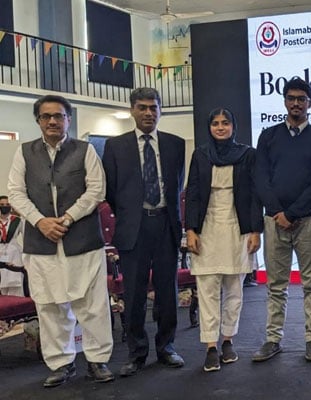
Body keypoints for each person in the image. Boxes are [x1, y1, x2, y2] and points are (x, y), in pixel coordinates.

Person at [8, 94, 113, 387]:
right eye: (46, 116)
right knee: (49, 304)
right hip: (40, 242)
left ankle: (97, 359)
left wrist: (66, 219)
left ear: (68, 119)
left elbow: (96, 190)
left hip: (81, 239)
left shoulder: (85, 150)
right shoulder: (24, 152)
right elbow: (15, 192)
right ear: (38, 121)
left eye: (59, 116)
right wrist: (40, 221)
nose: (52, 121)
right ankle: (61, 363)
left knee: (92, 304)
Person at [102, 87, 186, 376]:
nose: (149, 113)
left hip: (166, 225)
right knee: (135, 294)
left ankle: (167, 347)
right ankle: (136, 353)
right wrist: (132, 214)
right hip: (133, 228)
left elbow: (177, 186)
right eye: (142, 107)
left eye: (153, 107)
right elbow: (112, 191)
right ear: (132, 110)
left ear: (161, 110)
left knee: (167, 292)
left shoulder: (176, 144)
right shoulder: (115, 146)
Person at [253, 78, 311, 362]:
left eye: (301, 98)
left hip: (308, 221)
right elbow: (260, 177)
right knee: (276, 285)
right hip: (274, 221)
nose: (296, 103)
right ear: (284, 101)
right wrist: (278, 213)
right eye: (291, 98)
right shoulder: (268, 136)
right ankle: (273, 339)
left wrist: (293, 213)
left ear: (310, 102)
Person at [185, 108, 263, 372]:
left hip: (236, 226)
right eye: (215, 123)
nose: (220, 127)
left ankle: (228, 340)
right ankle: (210, 345)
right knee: (207, 290)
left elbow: (255, 194)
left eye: (225, 123)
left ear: (233, 126)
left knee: (234, 289)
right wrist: (190, 230)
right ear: (209, 127)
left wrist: (255, 230)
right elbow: (193, 193)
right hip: (206, 226)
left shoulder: (248, 154)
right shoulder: (201, 154)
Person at [0, 195, 25, 296]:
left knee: (16, 284)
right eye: (2, 205)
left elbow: (26, 237)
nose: (5, 206)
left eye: (7, 204)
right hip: (0, 254)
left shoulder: (18, 220)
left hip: (14, 253)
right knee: (2, 284)